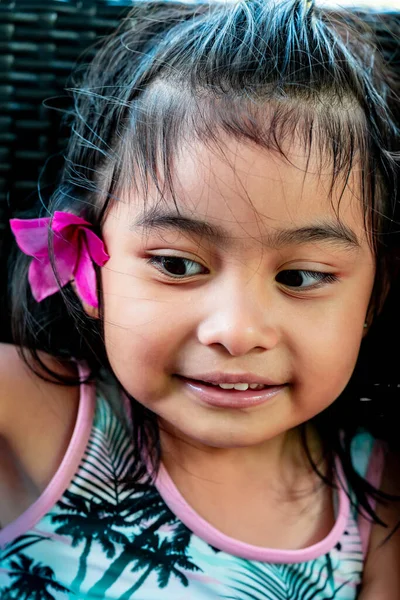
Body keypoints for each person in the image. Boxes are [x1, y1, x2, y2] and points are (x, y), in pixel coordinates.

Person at [0, 0, 399, 597]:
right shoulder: (34, 412)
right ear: (89, 261)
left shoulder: (375, 494)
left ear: (374, 294)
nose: (236, 331)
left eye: (301, 277)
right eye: (178, 265)